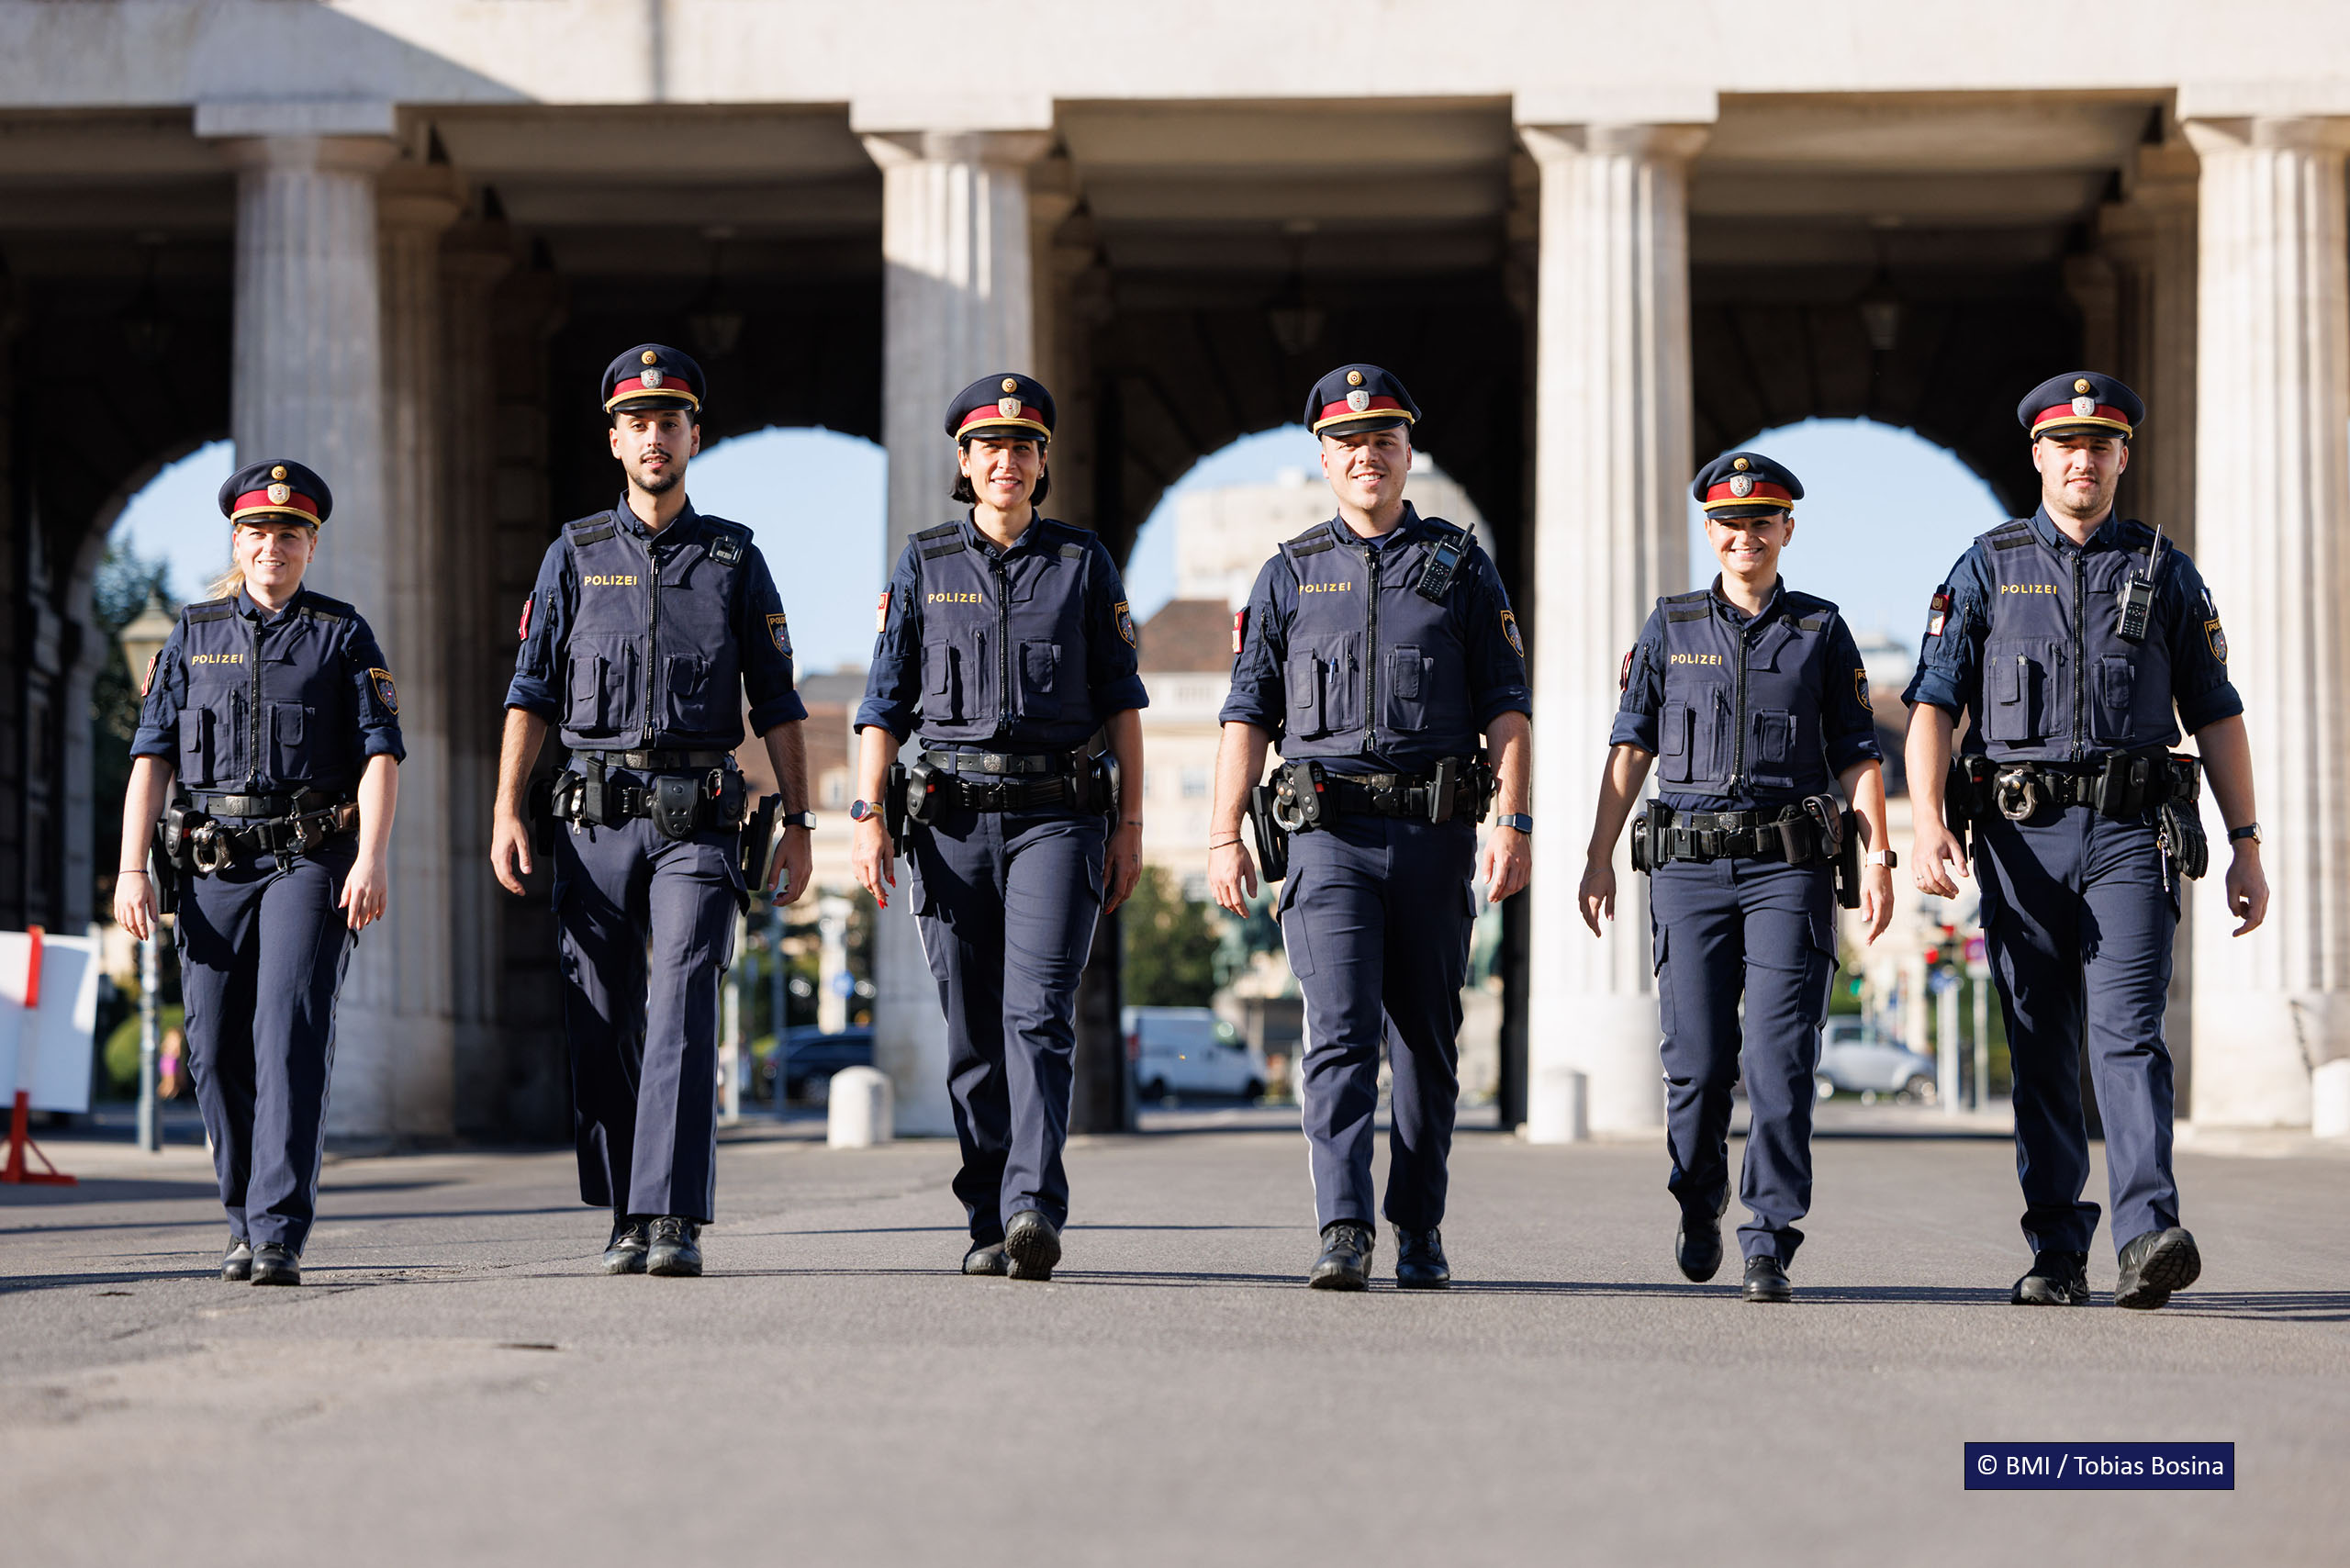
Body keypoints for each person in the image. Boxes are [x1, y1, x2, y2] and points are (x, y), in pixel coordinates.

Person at [1904, 372, 2266, 1311]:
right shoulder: (1984, 566)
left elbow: (2217, 715)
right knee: (2037, 1043)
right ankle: (2056, 1248)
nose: (2083, 460)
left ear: (2120, 458)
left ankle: (2148, 1234)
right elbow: (1933, 708)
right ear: (2038, 455)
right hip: (2021, 843)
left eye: (2100, 445)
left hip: (2128, 836)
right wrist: (1932, 820)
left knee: (2128, 1035)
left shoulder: (2163, 568)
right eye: (2067, 445)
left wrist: (2247, 843)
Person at [491, 344, 814, 1279]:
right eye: (638, 423)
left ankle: (670, 1214)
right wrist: (508, 809)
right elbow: (532, 693)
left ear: (693, 438)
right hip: (591, 818)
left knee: (679, 999)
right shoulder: (574, 554)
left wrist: (799, 822)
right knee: (598, 1017)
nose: (655, 437)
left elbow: (779, 702)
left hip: (698, 822)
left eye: (670, 423)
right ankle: (626, 1204)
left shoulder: (734, 559)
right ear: (616, 441)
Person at [1208, 364, 1532, 1292]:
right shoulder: (1289, 572)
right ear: (1323, 458)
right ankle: (1343, 1226)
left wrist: (1511, 820)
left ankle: (1418, 1224)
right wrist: (1223, 832)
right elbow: (1248, 714)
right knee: (1339, 1033)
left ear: (1406, 454)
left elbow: (1507, 708)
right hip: (1325, 837)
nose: (1366, 456)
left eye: (1382, 441)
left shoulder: (1461, 567)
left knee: (1425, 1047)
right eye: (1349, 444)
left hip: (1434, 835)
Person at [1578, 452, 1893, 1303]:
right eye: (1728, 522)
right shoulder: (1670, 626)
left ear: (1787, 529)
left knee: (1783, 1058)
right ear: (1708, 531)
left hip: (1787, 870)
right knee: (1699, 1063)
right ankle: (1698, 1198)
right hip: (1686, 870)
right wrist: (1597, 854)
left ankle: (1769, 1235)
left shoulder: (1821, 630)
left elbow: (1858, 755)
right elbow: (1630, 747)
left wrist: (1883, 855)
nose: (1744, 535)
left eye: (1762, 521)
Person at [851, 373, 1146, 1282]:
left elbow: (1121, 701)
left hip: (1058, 820)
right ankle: (987, 1211)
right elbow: (882, 700)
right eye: (989, 448)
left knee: (1037, 1016)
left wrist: (1131, 820)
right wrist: (866, 814)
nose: (1005, 462)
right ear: (964, 463)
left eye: (1022, 447)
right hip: (948, 823)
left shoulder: (1082, 562)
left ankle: (1032, 1204)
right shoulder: (924, 562)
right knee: (974, 1033)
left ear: (1041, 461)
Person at [116, 460, 402, 1287]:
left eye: (288, 534)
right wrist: (130, 870)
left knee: (286, 1033)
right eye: (256, 533)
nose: (271, 546)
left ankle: (277, 1230)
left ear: (310, 546)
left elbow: (381, 755)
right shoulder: (191, 634)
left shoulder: (343, 636)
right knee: (209, 1046)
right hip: (210, 866)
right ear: (236, 543)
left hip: (307, 861)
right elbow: (151, 760)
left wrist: (373, 857)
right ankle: (243, 1214)